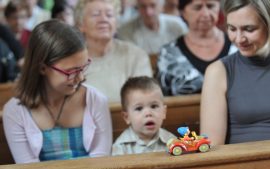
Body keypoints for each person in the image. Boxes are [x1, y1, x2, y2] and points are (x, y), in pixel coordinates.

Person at [3, 20, 112, 163]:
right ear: (42, 68)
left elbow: (101, 162)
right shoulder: (15, 111)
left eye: (82, 67)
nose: (80, 77)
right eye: (70, 72)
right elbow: (28, 167)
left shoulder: (95, 100)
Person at [200, 0, 270, 145]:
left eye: (249, 29)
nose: (239, 39)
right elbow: (212, 148)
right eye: (232, 29)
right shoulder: (218, 72)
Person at [75, 0, 152, 103]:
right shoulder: (73, 60)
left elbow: (145, 98)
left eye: (109, 15)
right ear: (81, 24)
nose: (103, 19)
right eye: (95, 15)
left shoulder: (136, 56)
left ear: (117, 24)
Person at [156, 0, 237, 96]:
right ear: (183, 12)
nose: (205, 14)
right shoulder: (168, 54)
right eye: (197, 7)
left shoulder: (238, 46)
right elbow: (161, 98)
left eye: (210, 6)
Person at [112, 76, 175, 156]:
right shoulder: (121, 147)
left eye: (154, 106)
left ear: (164, 112)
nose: (148, 113)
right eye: (139, 108)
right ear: (126, 117)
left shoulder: (172, 141)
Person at [117, 0, 187, 55]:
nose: (148, 12)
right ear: (137, 7)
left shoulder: (177, 25)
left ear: (161, 6)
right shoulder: (126, 31)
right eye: (143, 6)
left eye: (153, 6)